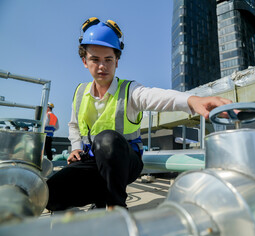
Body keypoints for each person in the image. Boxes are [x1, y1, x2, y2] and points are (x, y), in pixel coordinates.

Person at [46, 18, 232, 211]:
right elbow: (74, 126)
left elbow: (156, 96)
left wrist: (192, 100)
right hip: (93, 162)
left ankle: (115, 208)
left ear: (117, 61)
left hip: (126, 163)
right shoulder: (79, 93)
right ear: (85, 61)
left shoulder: (129, 90)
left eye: (108, 59)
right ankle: (102, 199)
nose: (102, 66)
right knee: (50, 195)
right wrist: (75, 148)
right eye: (95, 59)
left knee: (106, 140)